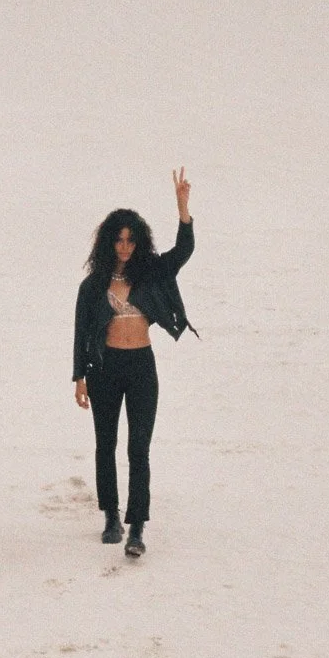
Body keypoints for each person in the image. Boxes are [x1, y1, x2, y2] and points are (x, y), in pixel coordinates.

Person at [73, 168, 197, 558]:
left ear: (138, 242)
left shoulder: (152, 272)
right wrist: (79, 377)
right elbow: (81, 331)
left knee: (138, 447)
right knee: (105, 444)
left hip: (142, 366)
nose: (125, 247)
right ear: (109, 242)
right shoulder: (93, 285)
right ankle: (111, 515)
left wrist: (183, 209)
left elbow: (183, 252)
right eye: (119, 240)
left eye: (130, 240)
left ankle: (137, 526)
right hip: (105, 369)